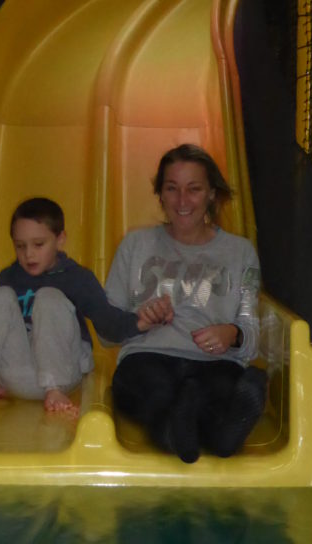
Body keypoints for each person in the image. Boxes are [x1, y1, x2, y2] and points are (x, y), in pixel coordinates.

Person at [105, 143, 267, 462]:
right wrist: (139, 321)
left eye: (194, 189)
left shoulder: (240, 252)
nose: (182, 201)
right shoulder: (135, 244)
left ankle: (198, 425)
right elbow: (106, 332)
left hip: (214, 363)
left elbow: (251, 335)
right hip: (148, 358)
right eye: (172, 188)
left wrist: (232, 333)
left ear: (211, 194)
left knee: (212, 389)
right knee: (153, 393)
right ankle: (208, 433)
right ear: (160, 194)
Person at [0, 197, 173, 414]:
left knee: (49, 297)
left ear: (60, 240)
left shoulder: (76, 278)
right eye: (20, 246)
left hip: (64, 370)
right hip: (18, 375)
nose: (28, 254)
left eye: (38, 244)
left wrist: (141, 322)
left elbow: (107, 321)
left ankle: (54, 388)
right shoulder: (8, 277)